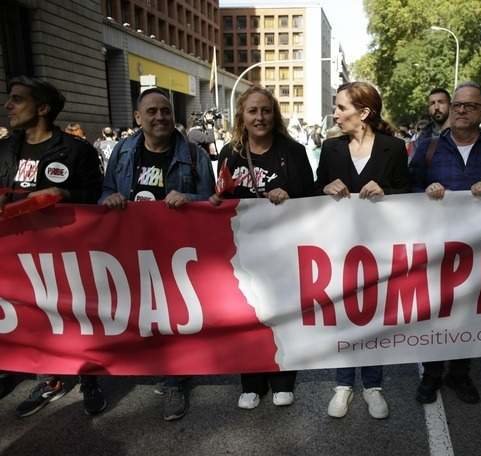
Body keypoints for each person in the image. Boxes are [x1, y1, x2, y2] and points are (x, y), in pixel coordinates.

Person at [99, 87, 214, 421]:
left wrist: (190, 200)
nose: (160, 116)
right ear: (138, 118)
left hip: (177, 251)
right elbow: (106, 191)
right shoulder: (122, 152)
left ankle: (174, 380)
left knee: (172, 313)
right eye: (152, 111)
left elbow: (213, 203)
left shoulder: (195, 156)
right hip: (132, 247)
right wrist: (109, 200)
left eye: (165, 110)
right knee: (142, 310)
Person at [0, 76, 105, 416]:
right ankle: (49, 377)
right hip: (14, 256)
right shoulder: (4, 149)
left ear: (42, 108)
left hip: (66, 255)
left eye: (17, 99)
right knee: (30, 316)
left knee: (75, 316)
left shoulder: (77, 151)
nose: (8, 106)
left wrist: (65, 195)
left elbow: (97, 199)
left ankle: (89, 376)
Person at [409, 81, 481, 405]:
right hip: (436, 247)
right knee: (435, 311)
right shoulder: (428, 148)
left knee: (468, 312)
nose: (460, 110)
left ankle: (459, 373)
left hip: (480, 249)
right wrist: (424, 194)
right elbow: (406, 192)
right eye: (457, 105)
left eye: (469, 106)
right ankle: (432, 372)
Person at [210, 86, 314, 411]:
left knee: (281, 315)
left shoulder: (293, 152)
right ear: (242, 115)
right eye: (253, 111)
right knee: (246, 314)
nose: (260, 117)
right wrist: (215, 201)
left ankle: (283, 379)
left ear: (275, 115)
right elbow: (223, 196)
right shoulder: (230, 152)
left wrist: (289, 196)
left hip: (282, 251)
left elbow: (311, 200)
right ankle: (251, 382)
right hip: (243, 251)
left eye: (266, 111)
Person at [316, 81, 409, 420]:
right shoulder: (330, 149)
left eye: (341, 108)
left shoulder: (394, 148)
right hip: (338, 248)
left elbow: (407, 192)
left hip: (379, 247)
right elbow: (314, 190)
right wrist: (325, 187)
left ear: (364, 112)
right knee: (343, 315)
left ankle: (372, 385)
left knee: (373, 315)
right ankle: (343, 384)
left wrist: (387, 191)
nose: (335, 114)